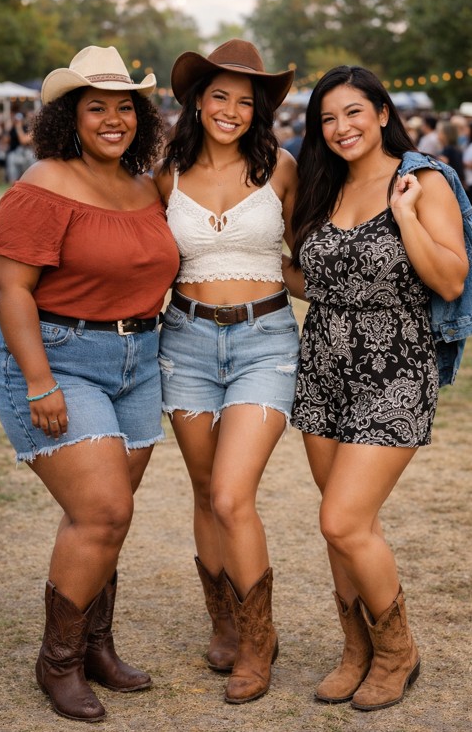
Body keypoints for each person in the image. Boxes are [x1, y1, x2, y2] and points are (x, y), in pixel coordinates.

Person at [0, 46, 180, 722]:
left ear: (141, 115)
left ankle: (97, 645)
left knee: (106, 519)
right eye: (95, 107)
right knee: (103, 511)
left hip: (137, 360)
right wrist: (40, 381)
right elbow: (11, 288)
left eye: (123, 107)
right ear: (69, 117)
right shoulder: (42, 183)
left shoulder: (143, 182)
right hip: (58, 358)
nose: (112, 119)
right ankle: (59, 661)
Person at [283, 65, 468, 711]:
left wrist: (405, 216)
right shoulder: (320, 183)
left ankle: (397, 651)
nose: (341, 128)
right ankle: (355, 648)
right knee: (341, 526)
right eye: (328, 119)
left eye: (354, 112)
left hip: (395, 367)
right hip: (324, 365)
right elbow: (316, 277)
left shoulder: (422, 180)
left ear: (383, 113)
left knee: (344, 516)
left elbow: (449, 281)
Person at [154, 39, 299, 704]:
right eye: (220, 96)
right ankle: (222, 620)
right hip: (183, 341)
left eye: (247, 100)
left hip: (265, 341)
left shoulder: (283, 169)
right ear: (197, 100)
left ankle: (257, 636)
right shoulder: (166, 172)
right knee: (204, 485)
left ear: (260, 110)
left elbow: (301, 260)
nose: (232, 110)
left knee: (232, 492)